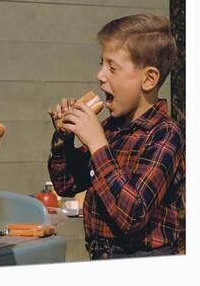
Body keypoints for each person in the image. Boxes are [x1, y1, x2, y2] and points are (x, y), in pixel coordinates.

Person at [47, 13, 185, 260]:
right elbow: (66, 184)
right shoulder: (111, 128)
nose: (100, 75)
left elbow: (133, 215)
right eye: (102, 63)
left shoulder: (164, 135)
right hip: (103, 257)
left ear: (148, 79)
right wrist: (64, 139)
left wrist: (98, 144)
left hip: (144, 262)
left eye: (112, 67)